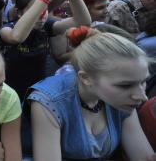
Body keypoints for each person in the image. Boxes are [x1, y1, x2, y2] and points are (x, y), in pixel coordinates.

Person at [27, 29, 155, 160]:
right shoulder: (50, 101)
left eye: (143, 82)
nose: (142, 96)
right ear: (86, 78)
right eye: (125, 85)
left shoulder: (123, 100)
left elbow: (142, 156)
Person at [0, 0, 92, 100]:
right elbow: (16, 37)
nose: (41, 16)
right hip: (10, 93)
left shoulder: (46, 26)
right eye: (34, 10)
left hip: (37, 90)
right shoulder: (7, 29)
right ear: (19, 13)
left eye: (44, 11)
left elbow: (83, 21)